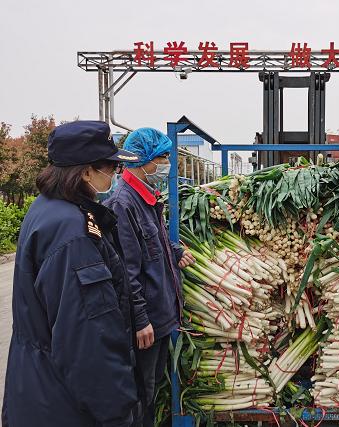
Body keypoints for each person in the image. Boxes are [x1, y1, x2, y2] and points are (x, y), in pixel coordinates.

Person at [2, 121, 142, 427]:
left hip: (39, 387)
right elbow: (87, 339)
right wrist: (117, 411)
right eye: (112, 168)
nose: (115, 175)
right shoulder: (73, 233)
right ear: (86, 171)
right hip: (65, 403)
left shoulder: (47, 209)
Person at [104, 128, 194, 427]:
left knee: (152, 386)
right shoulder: (123, 203)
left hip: (160, 315)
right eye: (164, 157)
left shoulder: (146, 198)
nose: (168, 163)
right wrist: (141, 319)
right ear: (143, 160)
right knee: (141, 392)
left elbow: (153, 243)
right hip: (148, 322)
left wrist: (176, 251)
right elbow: (127, 270)